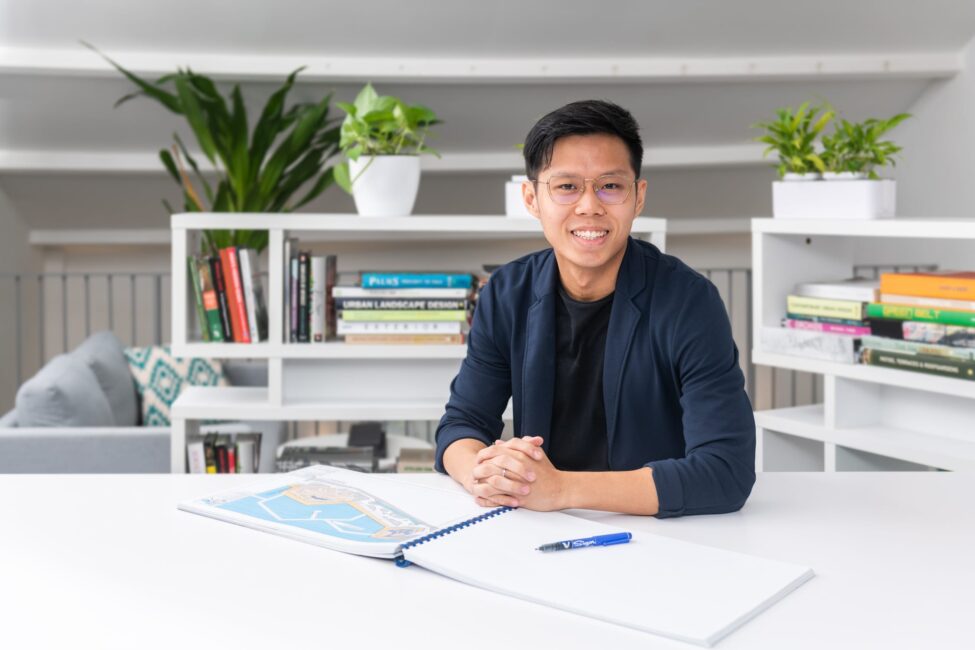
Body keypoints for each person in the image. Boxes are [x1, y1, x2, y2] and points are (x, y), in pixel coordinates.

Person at [435, 100, 755, 518]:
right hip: (539, 527)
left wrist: (563, 489)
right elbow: (461, 425)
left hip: (663, 534)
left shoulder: (690, 301)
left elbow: (725, 474)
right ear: (532, 198)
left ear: (638, 197)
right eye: (566, 187)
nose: (590, 206)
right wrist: (484, 473)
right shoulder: (506, 293)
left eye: (610, 186)